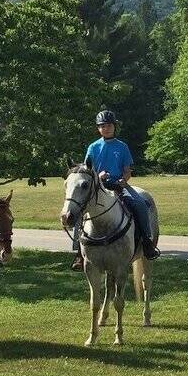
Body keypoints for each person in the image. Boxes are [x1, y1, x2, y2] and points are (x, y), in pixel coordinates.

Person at [71, 108, 160, 271]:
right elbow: (86, 171)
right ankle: (78, 251)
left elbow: (127, 170)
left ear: (114, 127)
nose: (106, 128)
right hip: (99, 187)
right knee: (79, 210)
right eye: (103, 126)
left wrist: (123, 180)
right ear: (98, 128)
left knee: (140, 204)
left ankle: (147, 243)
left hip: (119, 186)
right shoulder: (93, 147)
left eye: (109, 125)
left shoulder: (122, 147)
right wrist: (99, 176)